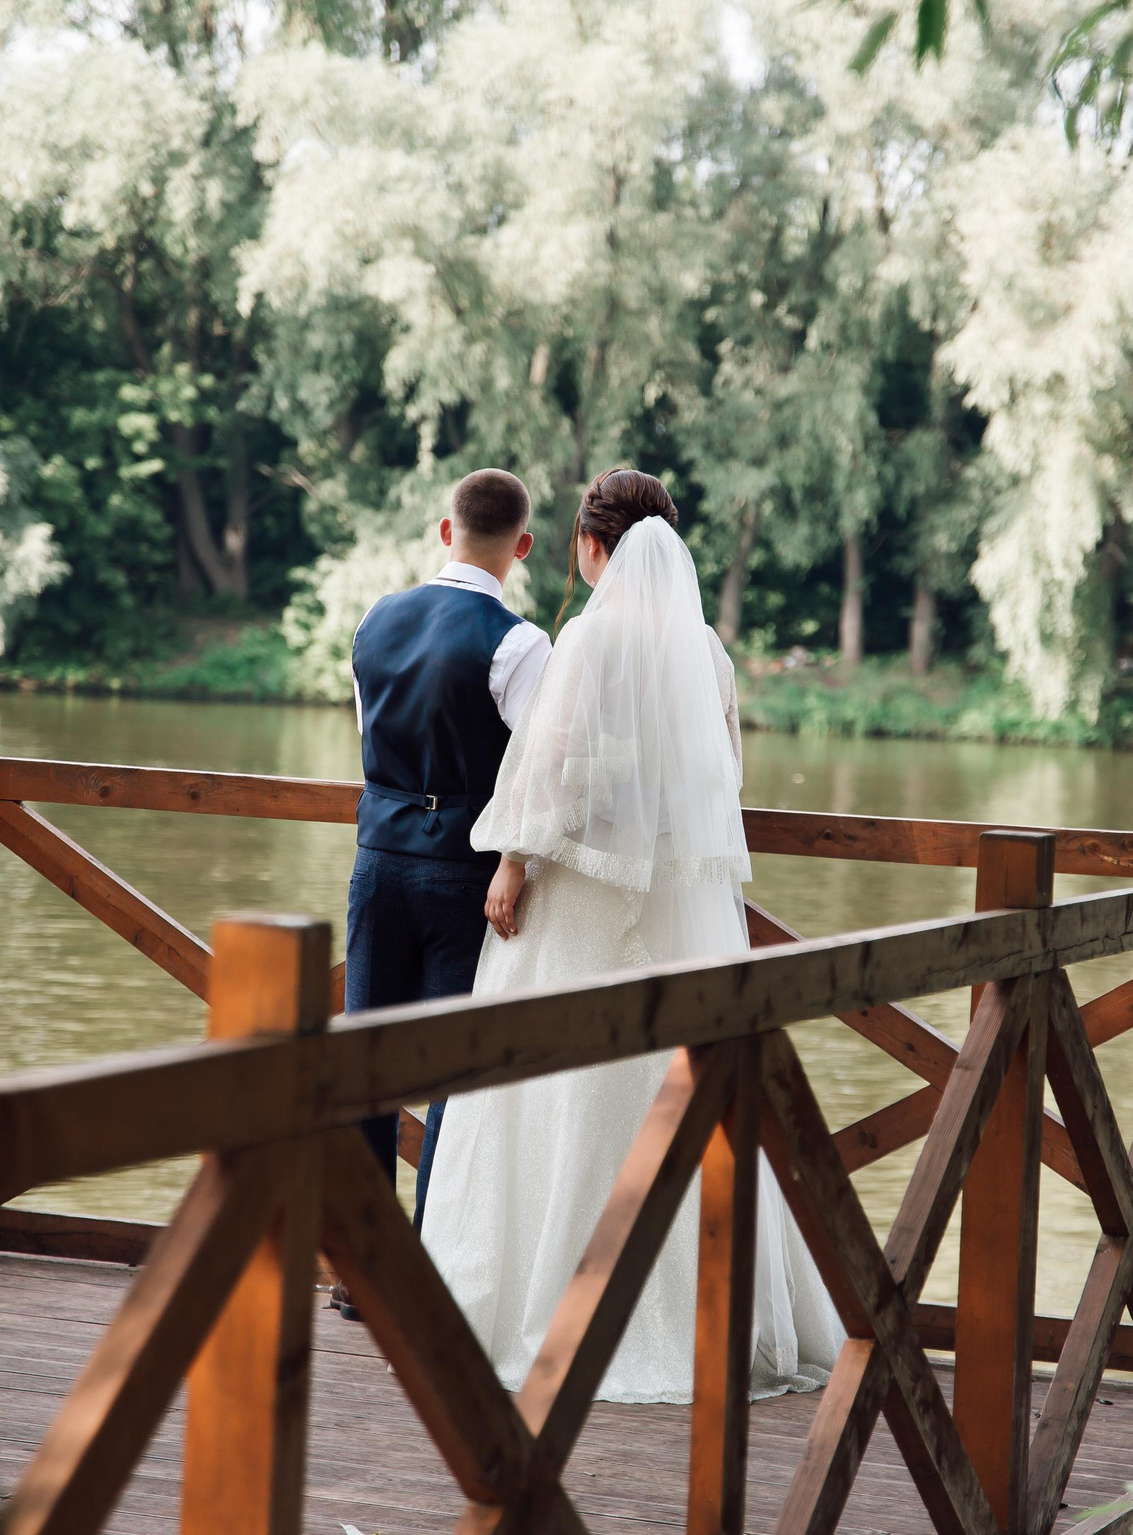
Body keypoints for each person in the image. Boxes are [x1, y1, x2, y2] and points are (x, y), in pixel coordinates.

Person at [418, 468, 844, 1403]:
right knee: (669, 1088)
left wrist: (513, 865)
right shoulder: (707, 652)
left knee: (551, 1083)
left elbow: (549, 768)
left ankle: (547, 1303)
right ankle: (697, 1308)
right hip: (673, 910)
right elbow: (721, 777)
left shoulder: (587, 638)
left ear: (590, 543)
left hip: (576, 899)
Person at [342, 468, 551, 1260]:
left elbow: (370, 737)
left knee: (367, 1061)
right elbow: (539, 768)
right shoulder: (522, 643)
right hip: (465, 873)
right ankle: (428, 1263)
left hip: (378, 859)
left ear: (445, 529)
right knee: (450, 1078)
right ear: (522, 546)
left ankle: (365, 1264)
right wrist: (516, 862)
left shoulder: (374, 620)